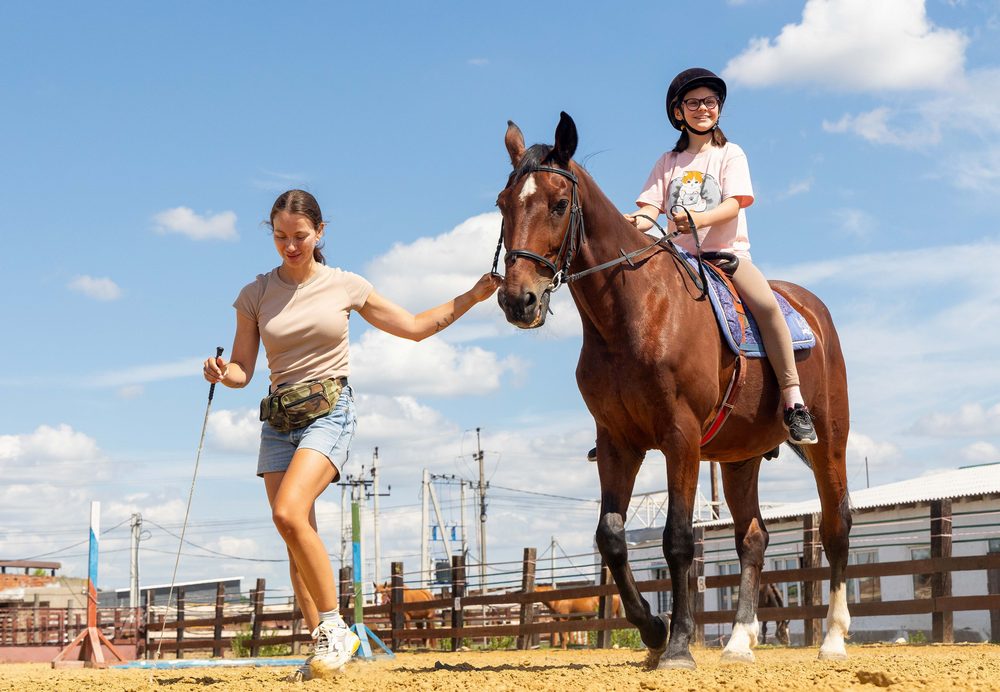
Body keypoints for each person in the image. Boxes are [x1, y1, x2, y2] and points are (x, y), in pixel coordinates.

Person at [203, 189, 500, 679]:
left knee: (288, 511)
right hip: (279, 421)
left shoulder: (345, 285)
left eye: (299, 237)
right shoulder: (254, 295)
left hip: (329, 411)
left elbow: (412, 327)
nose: (290, 246)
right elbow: (242, 369)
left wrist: (471, 295)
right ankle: (324, 650)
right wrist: (221, 372)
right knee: (295, 534)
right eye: (280, 237)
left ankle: (334, 626)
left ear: (320, 233)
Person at [628, 66, 817, 446]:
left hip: (726, 258)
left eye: (711, 102)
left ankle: (793, 400)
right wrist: (624, 222)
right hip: (677, 263)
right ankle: (624, 419)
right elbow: (649, 213)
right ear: (678, 112)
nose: (704, 109)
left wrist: (695, 218)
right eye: (694, 103)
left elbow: (733, 205)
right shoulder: (667, 162)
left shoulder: (730, 153)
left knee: (766, 306)